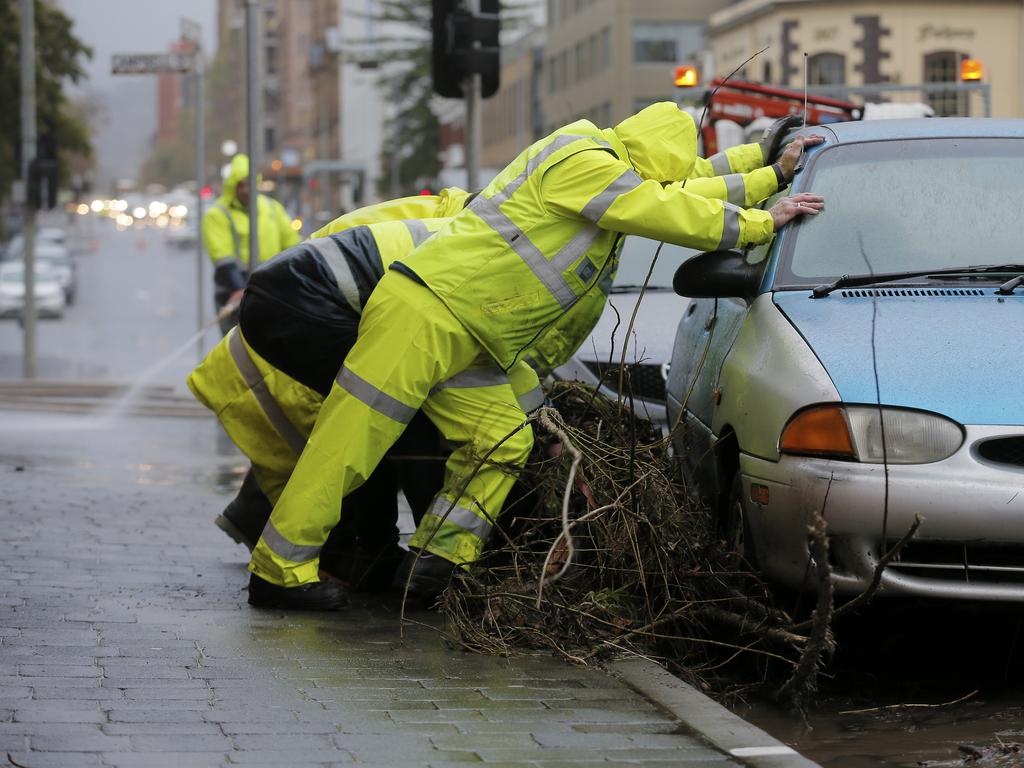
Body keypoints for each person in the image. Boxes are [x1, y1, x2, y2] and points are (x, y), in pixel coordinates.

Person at [246, 102, 825, 610]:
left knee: (502, 438)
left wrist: (767, 165)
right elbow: (663, 207)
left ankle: (431, 570)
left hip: (475, 334)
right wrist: (757, 223)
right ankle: (278, 573)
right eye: (660, 178)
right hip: (427, 311)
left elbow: (687, 186)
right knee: (350, 442)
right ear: (647, 160)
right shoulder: (580, 158)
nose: (665, 185)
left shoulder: (618, 167)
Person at [189, 216, 545, 608]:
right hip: (289, 336)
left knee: (362, 436)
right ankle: (355, 557)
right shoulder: (478, 247)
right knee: (373, 432)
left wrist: (543, 418)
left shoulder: (451, 222)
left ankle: (356, 552)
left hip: (293, 314)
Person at [202, 153, 301, 333]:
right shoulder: (217, 214)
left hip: (273, 286)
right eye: (241, 184)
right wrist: (238, 288)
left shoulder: (272, 208)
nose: (246, 189)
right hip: (235, 288)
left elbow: (293, 245)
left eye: (250, 183)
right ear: (232, 185)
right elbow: (223, 257)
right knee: (238, 349)